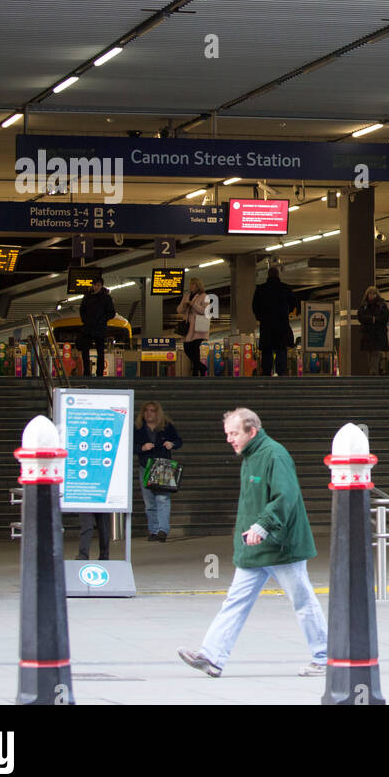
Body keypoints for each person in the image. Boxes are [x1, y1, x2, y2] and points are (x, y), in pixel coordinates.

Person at [178, 408, 328, 678]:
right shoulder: (251, 455)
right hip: (256, 545)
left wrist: (263, 526)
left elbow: (286, 496)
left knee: (302, 600)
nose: (229, 439)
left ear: (252, 431)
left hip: (282, 547)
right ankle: (211, 656)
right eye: (227, 433)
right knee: (236, 600)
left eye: (234, 433)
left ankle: (324, 657)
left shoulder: (274, 454)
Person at [134, 401, 182, 542]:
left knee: (163, 499)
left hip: (162, 465)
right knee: (149, 502)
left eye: (152, 410)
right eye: (147, 410)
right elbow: (131, 446)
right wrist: (142, 448)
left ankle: (162, 530)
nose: (149, 413)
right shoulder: (138, 428)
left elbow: (179, 441)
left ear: (157, 412)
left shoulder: (166, 427)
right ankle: (154, 530)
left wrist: (172, 444)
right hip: (145, 466)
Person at [251, 266, 297, 376]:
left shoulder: (261, 289)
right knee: (281, 349)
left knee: (267, 350)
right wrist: (285, 313)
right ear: (278, 275)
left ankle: (267, 372)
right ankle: (281, 372)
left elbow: (254, 306)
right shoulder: (285, 288)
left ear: (268, 275)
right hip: (282, 325)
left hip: (266, 326)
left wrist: (261, 317)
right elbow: (293, 304)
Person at [78, 276, 115, 377]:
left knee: (100, 351)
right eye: (94, 285)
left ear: (101, 286)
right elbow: (82, 310)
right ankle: (86, 372)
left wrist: (101, 320)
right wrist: (85, 320)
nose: (96, 287)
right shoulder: (87, 297)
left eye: (98, 285)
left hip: (99, 328)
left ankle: (99, 373)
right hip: (88, 328)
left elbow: (111, 313)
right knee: (85, 350)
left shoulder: (106, 298)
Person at [357, 285, 389, 375]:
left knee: (375, 353)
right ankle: (375, 371)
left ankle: (374, 372)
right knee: (370, 355)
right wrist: (373, 319)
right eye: (370, 294)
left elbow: (385, 317)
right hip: (368, 335)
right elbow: (360, 317)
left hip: (378, 335)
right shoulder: (364, 305)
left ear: (377, 294)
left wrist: (371, 319)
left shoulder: (381, 305)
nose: (371, 296)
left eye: (373, 294)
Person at [179, 277, 209, 377]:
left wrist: (194, 305)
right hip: (188, 327)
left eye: (193, 284)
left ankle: (196, 372)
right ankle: (201, 367)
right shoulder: (186, 295)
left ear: (197, 286)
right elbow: (179, 310)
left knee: (195, 349)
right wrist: (184, 305)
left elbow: (205, 311)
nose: (190, 286)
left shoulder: (204, 296)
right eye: (190, 284)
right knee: (187, 348)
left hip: (198, 327)